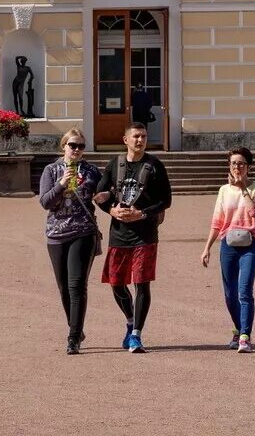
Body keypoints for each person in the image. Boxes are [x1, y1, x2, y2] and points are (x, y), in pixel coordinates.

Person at [93, 122, 171, 352]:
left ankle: (136, 334)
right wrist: (111, 210)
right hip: (118, 234)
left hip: (145, 235)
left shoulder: (155, 165)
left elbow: (166, 200)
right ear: (125, 139)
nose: (140, 140)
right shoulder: (114, 164)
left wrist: (143, 213)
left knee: (141, 283)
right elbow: (99, 194)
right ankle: (130, 321)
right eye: (136, 136)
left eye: (143, 136)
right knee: (116, 284)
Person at [37, 130, 107, 354]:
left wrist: (107, 198)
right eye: (73, 145)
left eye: (81, 146)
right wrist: (61, 184)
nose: (77, 150)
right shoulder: (51, 170)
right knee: (63, 287)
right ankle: (75, 326)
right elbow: (45, 202)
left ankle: (73, 337)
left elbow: (105, 194)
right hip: (56, 234)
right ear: (64, 146)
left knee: (77, 285)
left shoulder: (91, 171)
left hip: (83, 232)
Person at [200, 146, 255, 352]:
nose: (237, 167)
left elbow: (253, 212)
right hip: (228, 245)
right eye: (234, 163)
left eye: (241, 164)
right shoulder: (223, 190)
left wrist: (242, 187)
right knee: (230, 294)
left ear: (249, 167)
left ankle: (245, 336)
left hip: (250, 245)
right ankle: (238, 329)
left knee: (244, 291)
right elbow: (217, 221)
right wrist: (207, 248)